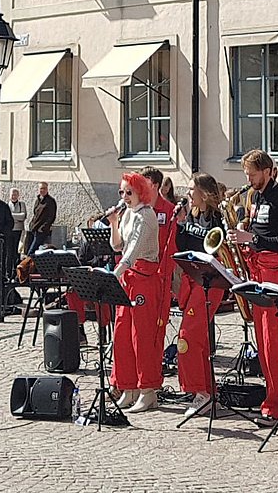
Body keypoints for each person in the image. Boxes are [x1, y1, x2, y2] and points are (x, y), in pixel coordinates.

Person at [230, 148, 278, 426]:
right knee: (263, 343)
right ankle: (271, 397)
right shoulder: (254, 196)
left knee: (274, 343)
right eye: (246, 174)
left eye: (253, 174)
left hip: (276, 273)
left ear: (268, 171)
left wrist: (253, 240)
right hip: (258, 270)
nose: (249, 179)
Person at [109, 172, 164, 414]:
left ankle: (148, 390)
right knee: (122, 334)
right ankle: (128, 386)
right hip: (128, 278)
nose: (124, 197)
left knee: (141, 336)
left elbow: (132, 252)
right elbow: (118, 246)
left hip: (142, 279)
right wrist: (113, 223)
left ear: (140, 192)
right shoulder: (129, 215)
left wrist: (115, 272)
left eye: (128, 192)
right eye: (121, 192)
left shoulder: (146, 215)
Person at [171, 173, 225, 417]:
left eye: (192, 189)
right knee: (198, 340)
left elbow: (216, 248)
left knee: (187, 337)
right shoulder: (191, 215)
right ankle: (207, 391)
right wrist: (180, 225)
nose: (188, 194)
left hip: (210, 283)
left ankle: (198, 391)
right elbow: (182, 245)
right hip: (192, 281)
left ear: (204, 192)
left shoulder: (216, 219)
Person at [27, 181, 57, 255]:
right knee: (32, 250)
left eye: (44, 188)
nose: (42, 190)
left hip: (42, 230)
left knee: (31, 252)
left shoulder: (51, 201)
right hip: (34, 229)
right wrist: (31, 225)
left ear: (47, 189)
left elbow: (52, 216)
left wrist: (44, 227)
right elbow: (35, 214)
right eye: (41, 188)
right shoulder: (38, 200)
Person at [8, 187, 27, 256]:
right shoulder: (7, 205)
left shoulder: (22, 204)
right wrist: (17, 217)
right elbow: (7, 217)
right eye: (12, 195)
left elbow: (23, 216)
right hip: (10, 229)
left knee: (18, 247)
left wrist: (11, 215)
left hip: (19, 229)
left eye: (15, 195)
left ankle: (16, 262)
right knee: (10, 248)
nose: (14, 196)